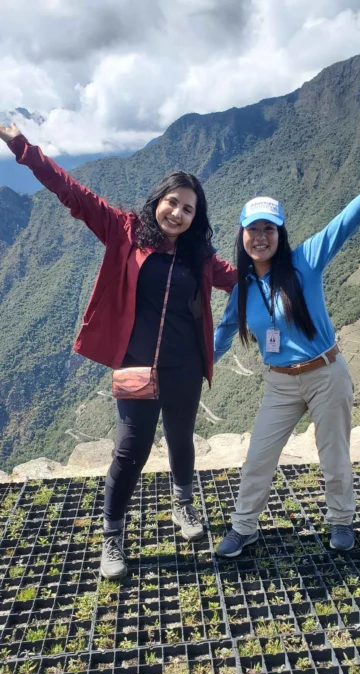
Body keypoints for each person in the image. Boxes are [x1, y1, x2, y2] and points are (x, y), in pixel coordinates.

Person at [0, 122, 237, 579]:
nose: (178, 213)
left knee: (182, 440)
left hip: (185, 366)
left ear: (196, 217)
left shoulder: (200, 258)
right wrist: (23, 148)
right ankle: (112, 537)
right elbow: (73, 192)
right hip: (137, 367)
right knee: (131, 452)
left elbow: (245, 276)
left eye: (188, 209)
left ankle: (183, 506)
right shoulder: (125, 231)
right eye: (173, 202)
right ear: (158, 201)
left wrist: (285, 261)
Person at [213, 127, 360, 557]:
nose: (260, 237)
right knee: (258, 458)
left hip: (326, 374)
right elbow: (223, 334)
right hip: (280, 382)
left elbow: (346, 222)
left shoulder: (304, 262)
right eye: (253, 230)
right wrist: (194, 369)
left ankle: (341, 520)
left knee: (334, 454)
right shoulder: (243, 288)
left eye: (269, 228)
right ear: (242, 236)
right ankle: (243, 527)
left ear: (281, 233)